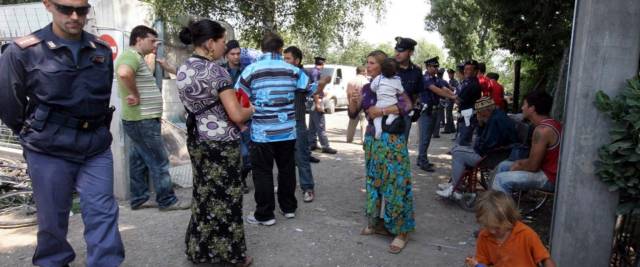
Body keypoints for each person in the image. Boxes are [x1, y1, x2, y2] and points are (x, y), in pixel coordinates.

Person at [0, 1, 125, 265]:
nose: (75, 16)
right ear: (48, 5)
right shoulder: (23, 51)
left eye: (82, 9)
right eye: (65, 8)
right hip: (48, 149)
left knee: (103, 213)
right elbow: (9, 104)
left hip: (95, 147)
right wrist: (29, 134)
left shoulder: (99, 50)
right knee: (52, 221)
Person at [176, 19, 254, 266]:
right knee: (228, 197)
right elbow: (237, 115)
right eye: (221, 41)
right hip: (221, 143)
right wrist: (249, 109)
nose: (223, 46)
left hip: (197, 139)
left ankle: (199, 249)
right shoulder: (217, 72)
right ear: (210, 43)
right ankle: (232, 254)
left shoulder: (184, 68)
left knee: (204, 194)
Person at [237, 32, 314, 225]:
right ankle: (288, 208)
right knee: (286, 168)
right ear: (280, 49)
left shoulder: (251, 70)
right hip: (287, 129)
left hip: (262, 131)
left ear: (262, 48)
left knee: (262, 172)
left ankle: (265, 214)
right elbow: (309, 87)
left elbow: (239, 96)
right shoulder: (292, 70)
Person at [115, 25, 190, 211]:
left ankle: (139, 198)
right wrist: (134, 93)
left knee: (138, 160)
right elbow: (124, 73)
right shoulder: (130, 55)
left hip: (141, 119)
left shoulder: (136, 57)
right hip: (142, 119)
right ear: (138, 39)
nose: (155, 45)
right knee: (159, 160)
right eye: (152, 40)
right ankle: (167, 201)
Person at [348, 50, 414, 254]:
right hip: (373, 142)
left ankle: (401, 231)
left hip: (392, 141)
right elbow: (353, 114)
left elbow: (407, 105)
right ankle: (376, 223)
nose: (368, 66)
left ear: (382, 66)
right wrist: (353, 100)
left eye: (372, 63)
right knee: (374, 182)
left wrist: (382, 111)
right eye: (366, 62)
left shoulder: (394, 81)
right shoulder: (367, 88)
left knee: (396, 183)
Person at [436, 97, 518, 199]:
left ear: (487, 110)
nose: (479, 115)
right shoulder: (496, 116)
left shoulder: (495, 120)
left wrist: (477, 136)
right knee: (457, 149)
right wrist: (480, 126)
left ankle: (456, 189)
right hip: (494, 152)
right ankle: (454, 183)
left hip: (492, 156)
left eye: (480, 112)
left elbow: (487, 144)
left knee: (457, 153)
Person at [492, 91, 562, 194]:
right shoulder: (552, 123)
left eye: (524, 104)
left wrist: (519, 164)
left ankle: (502, 209)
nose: (522, 108)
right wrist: (519, 163)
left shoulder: (542, 130)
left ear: (532, 109)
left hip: (549, 177)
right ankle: (491, 202)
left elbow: (533, 166)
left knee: (500, 180)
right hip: (546, 171)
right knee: (503, 165)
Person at [283, 45, 329, 202]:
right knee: (286, 158)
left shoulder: (300, 74)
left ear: (297, 60)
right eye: (284, 58)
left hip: (297, 122)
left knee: (302, 156)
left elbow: (312, 89)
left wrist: (322, 83)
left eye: (288, 58)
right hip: (283, 123)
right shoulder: (284, 74)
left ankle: (308, 188)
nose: (285, 61)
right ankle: (286, 186)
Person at [465, 191, 557, 267]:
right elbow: (482, 263)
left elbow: (545, 258)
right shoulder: (484, 236)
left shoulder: (526, 234)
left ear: (509, 219)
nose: (492, 231)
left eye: (497, 227)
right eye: (488, 226)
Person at [417, 57, 458, 172]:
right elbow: (437, 90)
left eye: (437, 66)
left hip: (433, 111)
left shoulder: (435, 79)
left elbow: (444, 88)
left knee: (427, 137)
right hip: (426, 112)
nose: (436, 69)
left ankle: (421, 159)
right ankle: (423, 162)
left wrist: (454, 95)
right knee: (425, 138)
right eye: (434, 67)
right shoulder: (425, 79)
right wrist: (452, 97)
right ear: (428, 67)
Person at [224, 39, 251, 194]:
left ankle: (242, 177)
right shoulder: (221, 71)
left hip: (246, 117)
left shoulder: (247, 70)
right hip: (228, 120)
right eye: (233, 54)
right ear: (227, 55)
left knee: (250, 155)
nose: (236, 57)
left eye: (238, 54)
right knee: (240, 153)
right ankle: (238, 180)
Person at [393, 36, 423, 140]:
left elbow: (417, 93)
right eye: (396, 50)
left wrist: (415, 109)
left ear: (410, 53)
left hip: (405, 115)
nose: (397, 53)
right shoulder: (388, 67)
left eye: (401, 51)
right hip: (386, 113)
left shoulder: (417, 71)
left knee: (401, 149)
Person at [308, 56, 338, 154]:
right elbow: (315, 89)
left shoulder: (312, 71)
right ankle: (325, 146)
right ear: (323, 64)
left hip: (310, 100)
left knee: (312, 124)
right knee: (320, 124)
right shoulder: (317, 73)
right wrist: (318, 103)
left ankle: (311, 143)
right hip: (315, 100)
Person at [371, 58, 404, 139]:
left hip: (380, 103)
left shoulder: (378, 78)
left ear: (381, 70)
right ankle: (392, 116)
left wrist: (377, 90)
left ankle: (378, 129)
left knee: (377, 117)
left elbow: (372, 88)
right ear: (396, 72)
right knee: (395, 111)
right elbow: (401, 91)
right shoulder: (397, 80)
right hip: (392, 103)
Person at [456, 60, 482, 146]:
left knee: (464, 143)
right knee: (463, 140)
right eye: (465, 69)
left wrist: (447, 95)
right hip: (466, 116)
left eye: (469, 69)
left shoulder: (472, 84)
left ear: (475, 71)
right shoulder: (468, 82)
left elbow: (459, 100)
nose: (465, 71)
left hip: (468, 117)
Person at [346, 66, 369, 144]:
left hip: (352, 103)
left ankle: (349, 138)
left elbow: (348, 94)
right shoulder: (366, 82)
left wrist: (349, 103)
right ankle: (363, 140)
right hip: (362, 104)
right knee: (363, 122)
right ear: (363, 72)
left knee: (352, 122)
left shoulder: (350, 81)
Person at [442, 68, 458, 134]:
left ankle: (448, 129)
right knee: (449, 114)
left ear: (453, 74)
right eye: (448, 74)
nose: (449, 75)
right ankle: (452, 129)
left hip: (451, 99)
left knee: (448, 114)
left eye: (450, 74)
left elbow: (456, 89)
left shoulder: (455, 81)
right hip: (448, 98)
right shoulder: (450, 81)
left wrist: (450, 87)